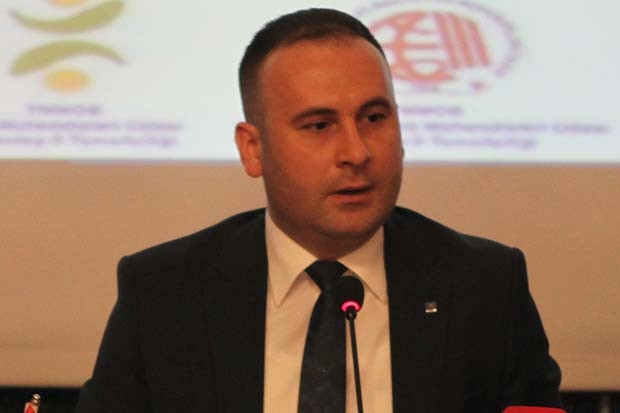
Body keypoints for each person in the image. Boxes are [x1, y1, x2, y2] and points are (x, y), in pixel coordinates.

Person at [76, 8, 562, 413]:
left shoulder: (486, 287)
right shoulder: (163, 293)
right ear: (253, 149)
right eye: (319, 125)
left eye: (374, 118)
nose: (356, 152)